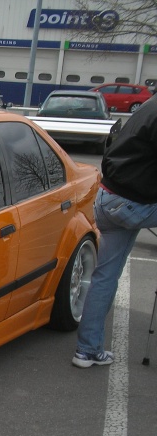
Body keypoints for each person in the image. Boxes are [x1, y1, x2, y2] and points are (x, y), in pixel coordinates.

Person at [73, 94, 157, 368]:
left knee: (104, 277)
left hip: (108, 198)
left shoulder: (147, 108)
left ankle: (87, 351)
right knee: (106, 277)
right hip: (131, 204)